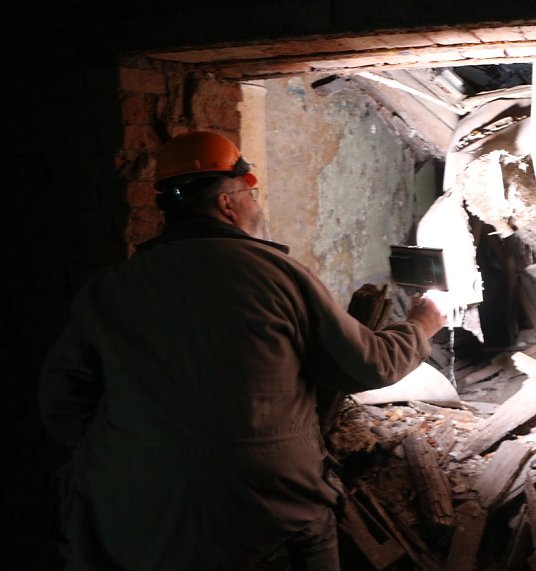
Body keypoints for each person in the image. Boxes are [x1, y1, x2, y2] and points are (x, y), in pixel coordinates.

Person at [39, 131, 446, 570]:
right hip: (269, 510)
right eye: (251, 194)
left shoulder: (112, 286)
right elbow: (371, 365)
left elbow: (61, 403)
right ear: (227, 203)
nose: (257, 206)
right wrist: (423, 322)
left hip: (138, 511)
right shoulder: (278, 274)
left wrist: (138, 453)